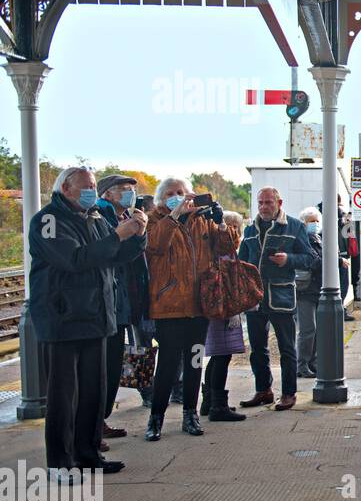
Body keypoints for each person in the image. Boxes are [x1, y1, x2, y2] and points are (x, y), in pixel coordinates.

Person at [29, 167, 147, 476]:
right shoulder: (49, 220)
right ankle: (60, 463)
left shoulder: (94, 218)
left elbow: (114, 255)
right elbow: (74, 259)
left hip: (97, 318)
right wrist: (118, 235)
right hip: (63, 321)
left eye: (93, 186)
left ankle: (88, 455)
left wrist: (136, 237)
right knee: (64, 397)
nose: (91, 191)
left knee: (93, 393)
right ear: (66, 188)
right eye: (86, 186)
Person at [143, 179, 230, 441]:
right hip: (169, 305)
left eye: (181, 193)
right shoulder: (155, 220)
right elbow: (155, 246)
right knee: (168, 364)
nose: (177, 197)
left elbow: (226, 247)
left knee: (194, 360)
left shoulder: (202, 221)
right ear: (161, 199)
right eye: (170, 194)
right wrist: (174, 215)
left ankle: (190, 414)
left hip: (198, 305)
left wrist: (221, 222)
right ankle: (156, 417)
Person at [238, 187, 315, 411]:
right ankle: (263, 390)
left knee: (287, 348)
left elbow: (309, 258)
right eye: (260, 203)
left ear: (279, 203)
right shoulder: (250, 229)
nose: (263, 207)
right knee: (257, 348)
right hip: (254, 298)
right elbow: (242, 260)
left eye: (268, 203)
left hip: (281, 295)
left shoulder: (295, 226)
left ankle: (289, 393)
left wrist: (288, 259)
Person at [94, 174, 151, 445]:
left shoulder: (125, 217)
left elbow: (133, 258)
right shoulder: (100, 217)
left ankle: (99, 421)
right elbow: (112, 254)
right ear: (107, 194)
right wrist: (130, 233)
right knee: (102, 367)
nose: (129, 194)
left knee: (113, 365)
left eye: (131, 189)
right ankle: (94, 424)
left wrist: (139, 234)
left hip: (125, 303)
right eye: (123, 189)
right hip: (109, 305)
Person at [199, 211, 247, 423]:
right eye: (233, 226)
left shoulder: (214, 251)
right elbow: (229, 284)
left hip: (215, 310)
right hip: (224, 310)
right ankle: (218, 405)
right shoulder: (225, 253)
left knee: (217, 356)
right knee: (222, 355)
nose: (236, 231)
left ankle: (209, 402)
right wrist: (234, 311)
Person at [296, 206, 325, 378]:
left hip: (316, 289)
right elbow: (314, 261)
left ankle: (313, 362)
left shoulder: (317, 238)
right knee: (308, 330)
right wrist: (335, 259)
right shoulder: (302, 239)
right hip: (305, 290)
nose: (314, 224)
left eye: (316, 221)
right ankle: (302, 364)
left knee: (317, 330)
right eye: (310, 221)